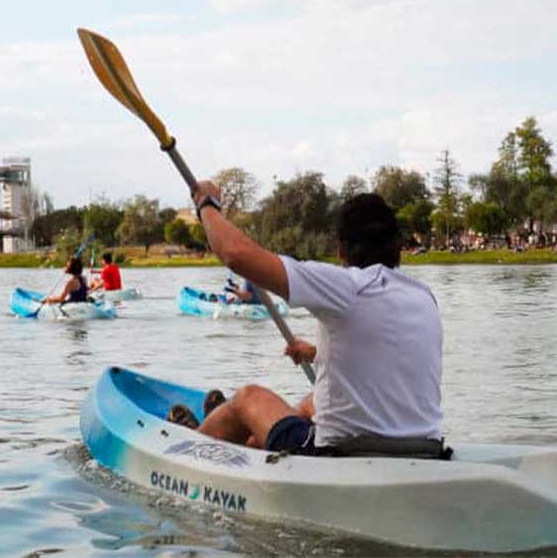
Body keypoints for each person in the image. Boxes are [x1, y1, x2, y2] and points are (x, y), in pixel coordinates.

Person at [168, 184, 443, 457]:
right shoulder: (422, 295)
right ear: (396, 247)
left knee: (247, 398)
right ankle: (242, 442)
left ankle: (188, 452)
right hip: (425, 447)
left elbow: (236, 255)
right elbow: (382, 351)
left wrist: (207, 205)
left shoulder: (347, 285)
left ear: (340, 250)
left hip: (343, 454)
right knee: (310, 404)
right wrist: (315, 353)